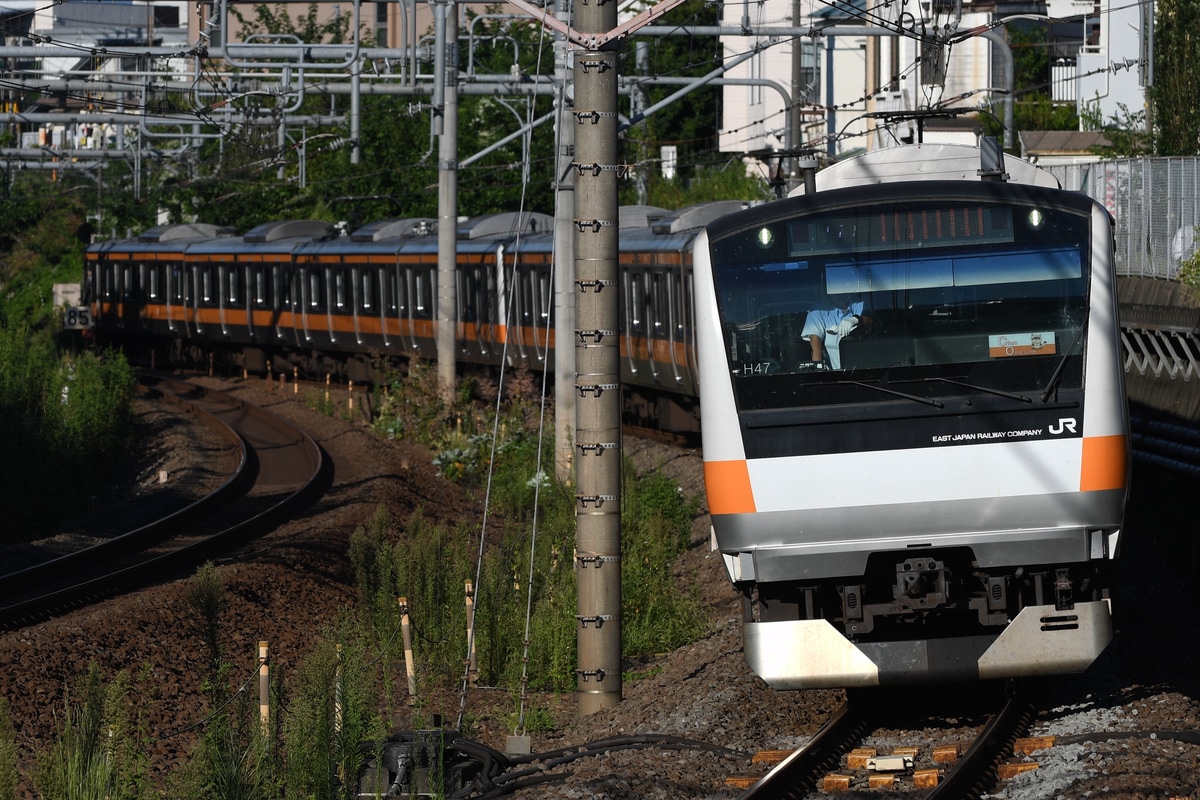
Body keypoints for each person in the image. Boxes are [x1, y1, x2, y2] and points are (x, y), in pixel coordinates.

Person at [801, 299, 868, 370]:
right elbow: (815, 340)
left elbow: (873, 318)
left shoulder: (860, 301)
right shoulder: (819, 308)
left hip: (867, 370)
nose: (839, 295)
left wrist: (857, 319)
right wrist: (819, 368)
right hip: (835, 374)